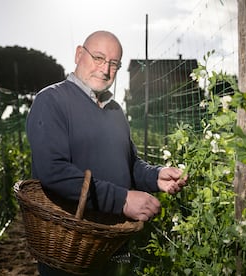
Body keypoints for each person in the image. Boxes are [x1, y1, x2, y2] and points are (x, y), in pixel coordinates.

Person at [26, 30, 188, 276]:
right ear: (79, 54)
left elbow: (130, 163)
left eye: (114, 64)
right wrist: (122, 200)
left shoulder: (115, 111)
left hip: (115, 241)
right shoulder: (51, 101)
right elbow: (54, 172)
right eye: (98, 58)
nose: (105, 69)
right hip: (72, 246)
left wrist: (156, 176)